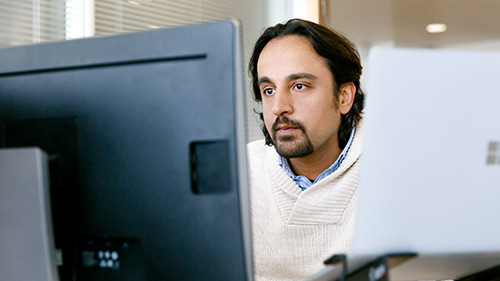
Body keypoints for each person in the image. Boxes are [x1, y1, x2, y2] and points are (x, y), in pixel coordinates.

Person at [247, 19, 365, 281]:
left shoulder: (396, 168)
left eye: (299, 86)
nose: (279, 107)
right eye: (268, 90)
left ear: (344, 96)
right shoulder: (239, 172)